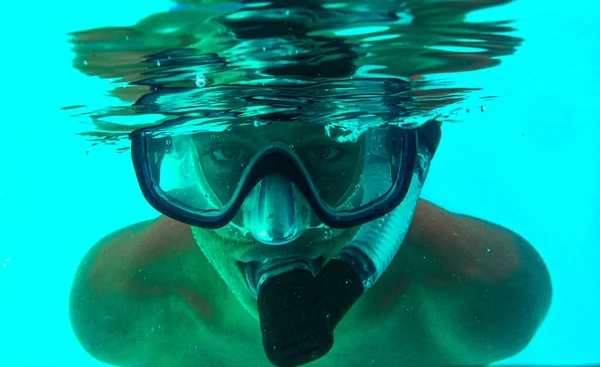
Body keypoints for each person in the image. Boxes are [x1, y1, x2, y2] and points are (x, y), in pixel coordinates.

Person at [69, 119, 551, 367]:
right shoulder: (120, 304)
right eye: (224, 152)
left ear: (389, 159)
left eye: (326, 151)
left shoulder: (487, 293)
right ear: (182, 158)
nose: (276, 229)